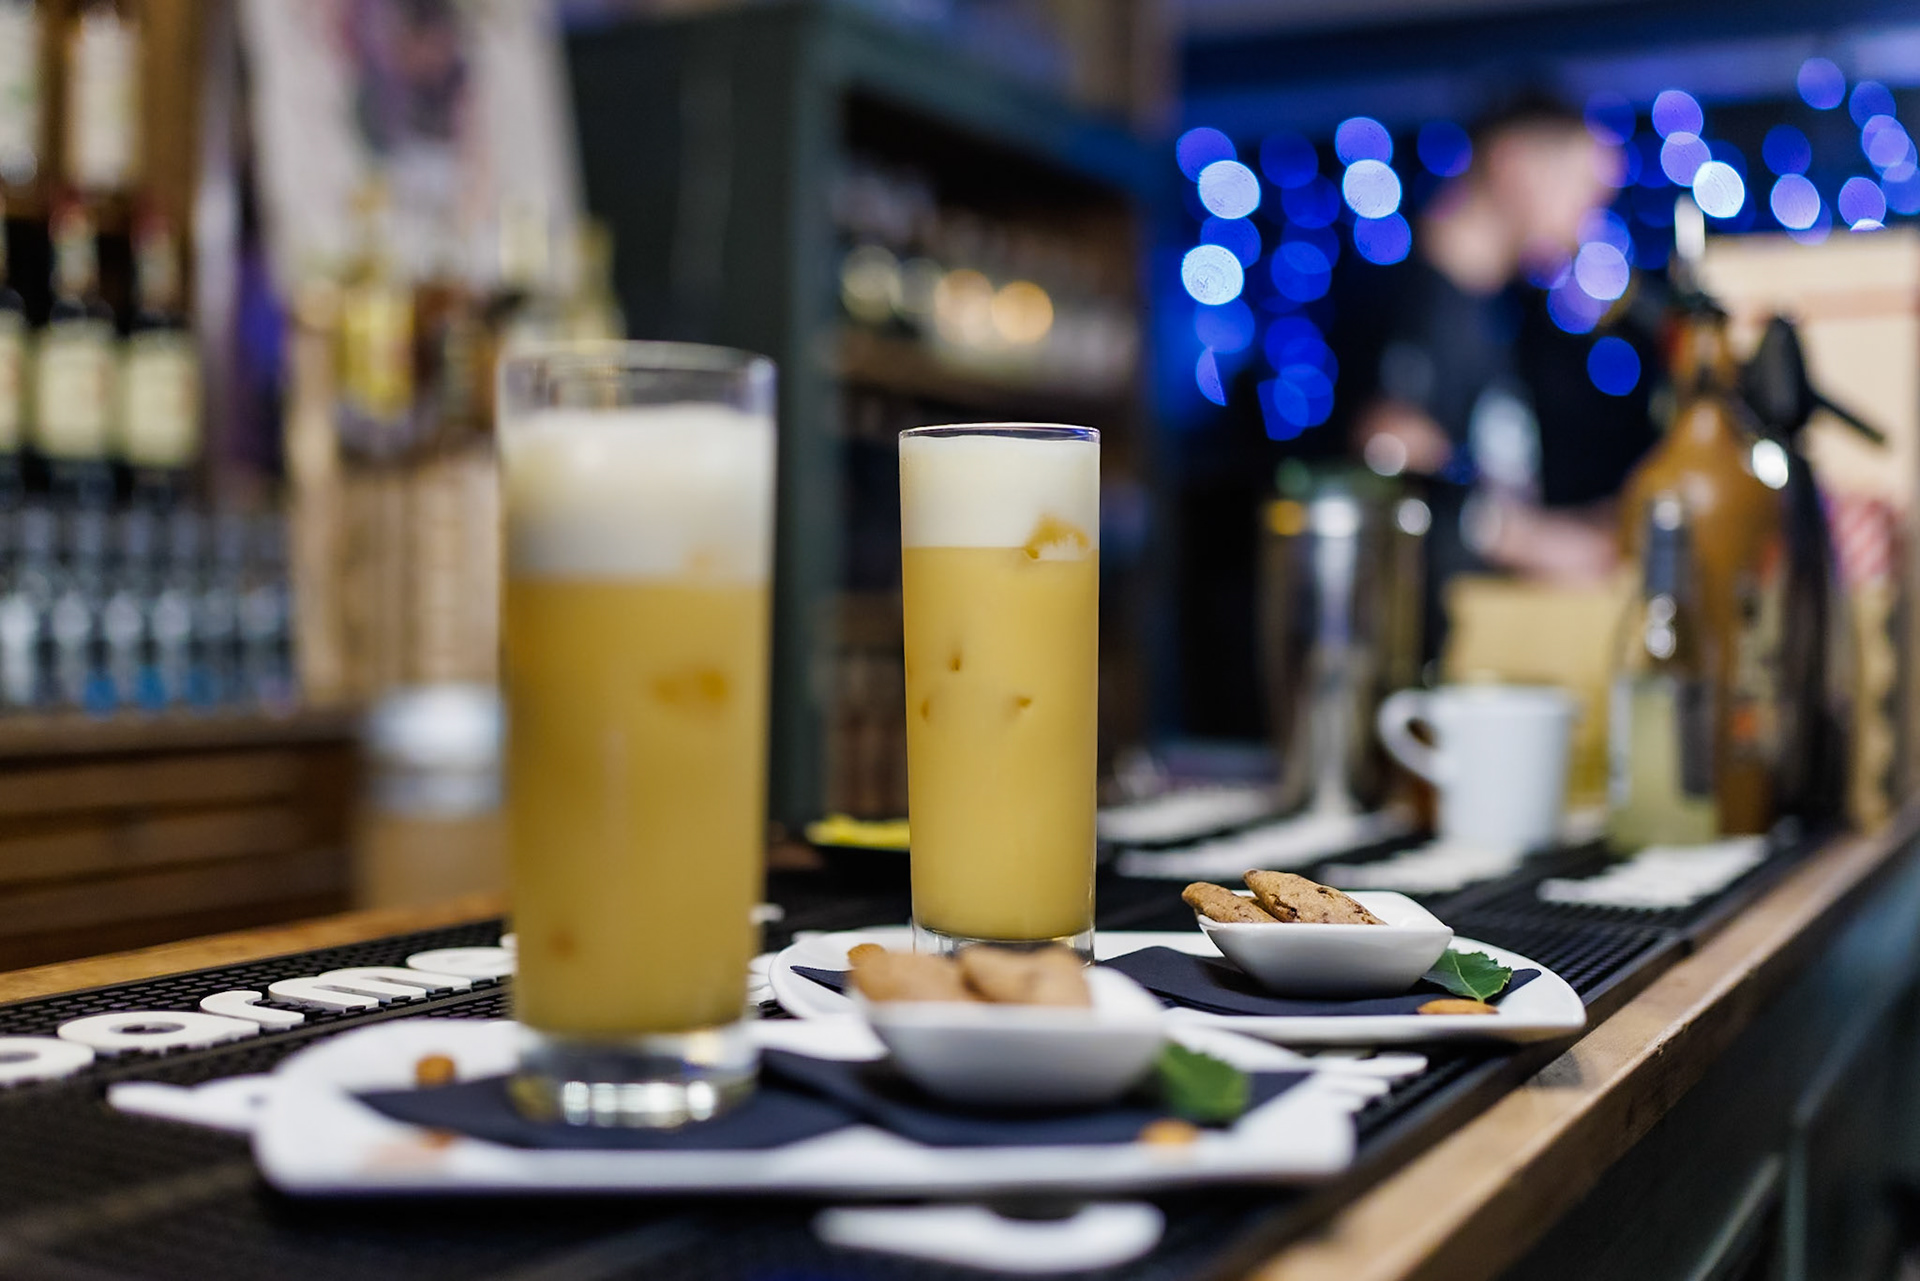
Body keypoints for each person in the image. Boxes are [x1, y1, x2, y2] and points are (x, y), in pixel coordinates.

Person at [1334, 93, 1659, 653]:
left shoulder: (1499, 309)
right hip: (1425, 655)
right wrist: (1530, 540)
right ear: (1512, 166)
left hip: (1481, 637)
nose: (1586, 224)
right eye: (1581, 193)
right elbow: (1390, 450)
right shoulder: (1413, 302)